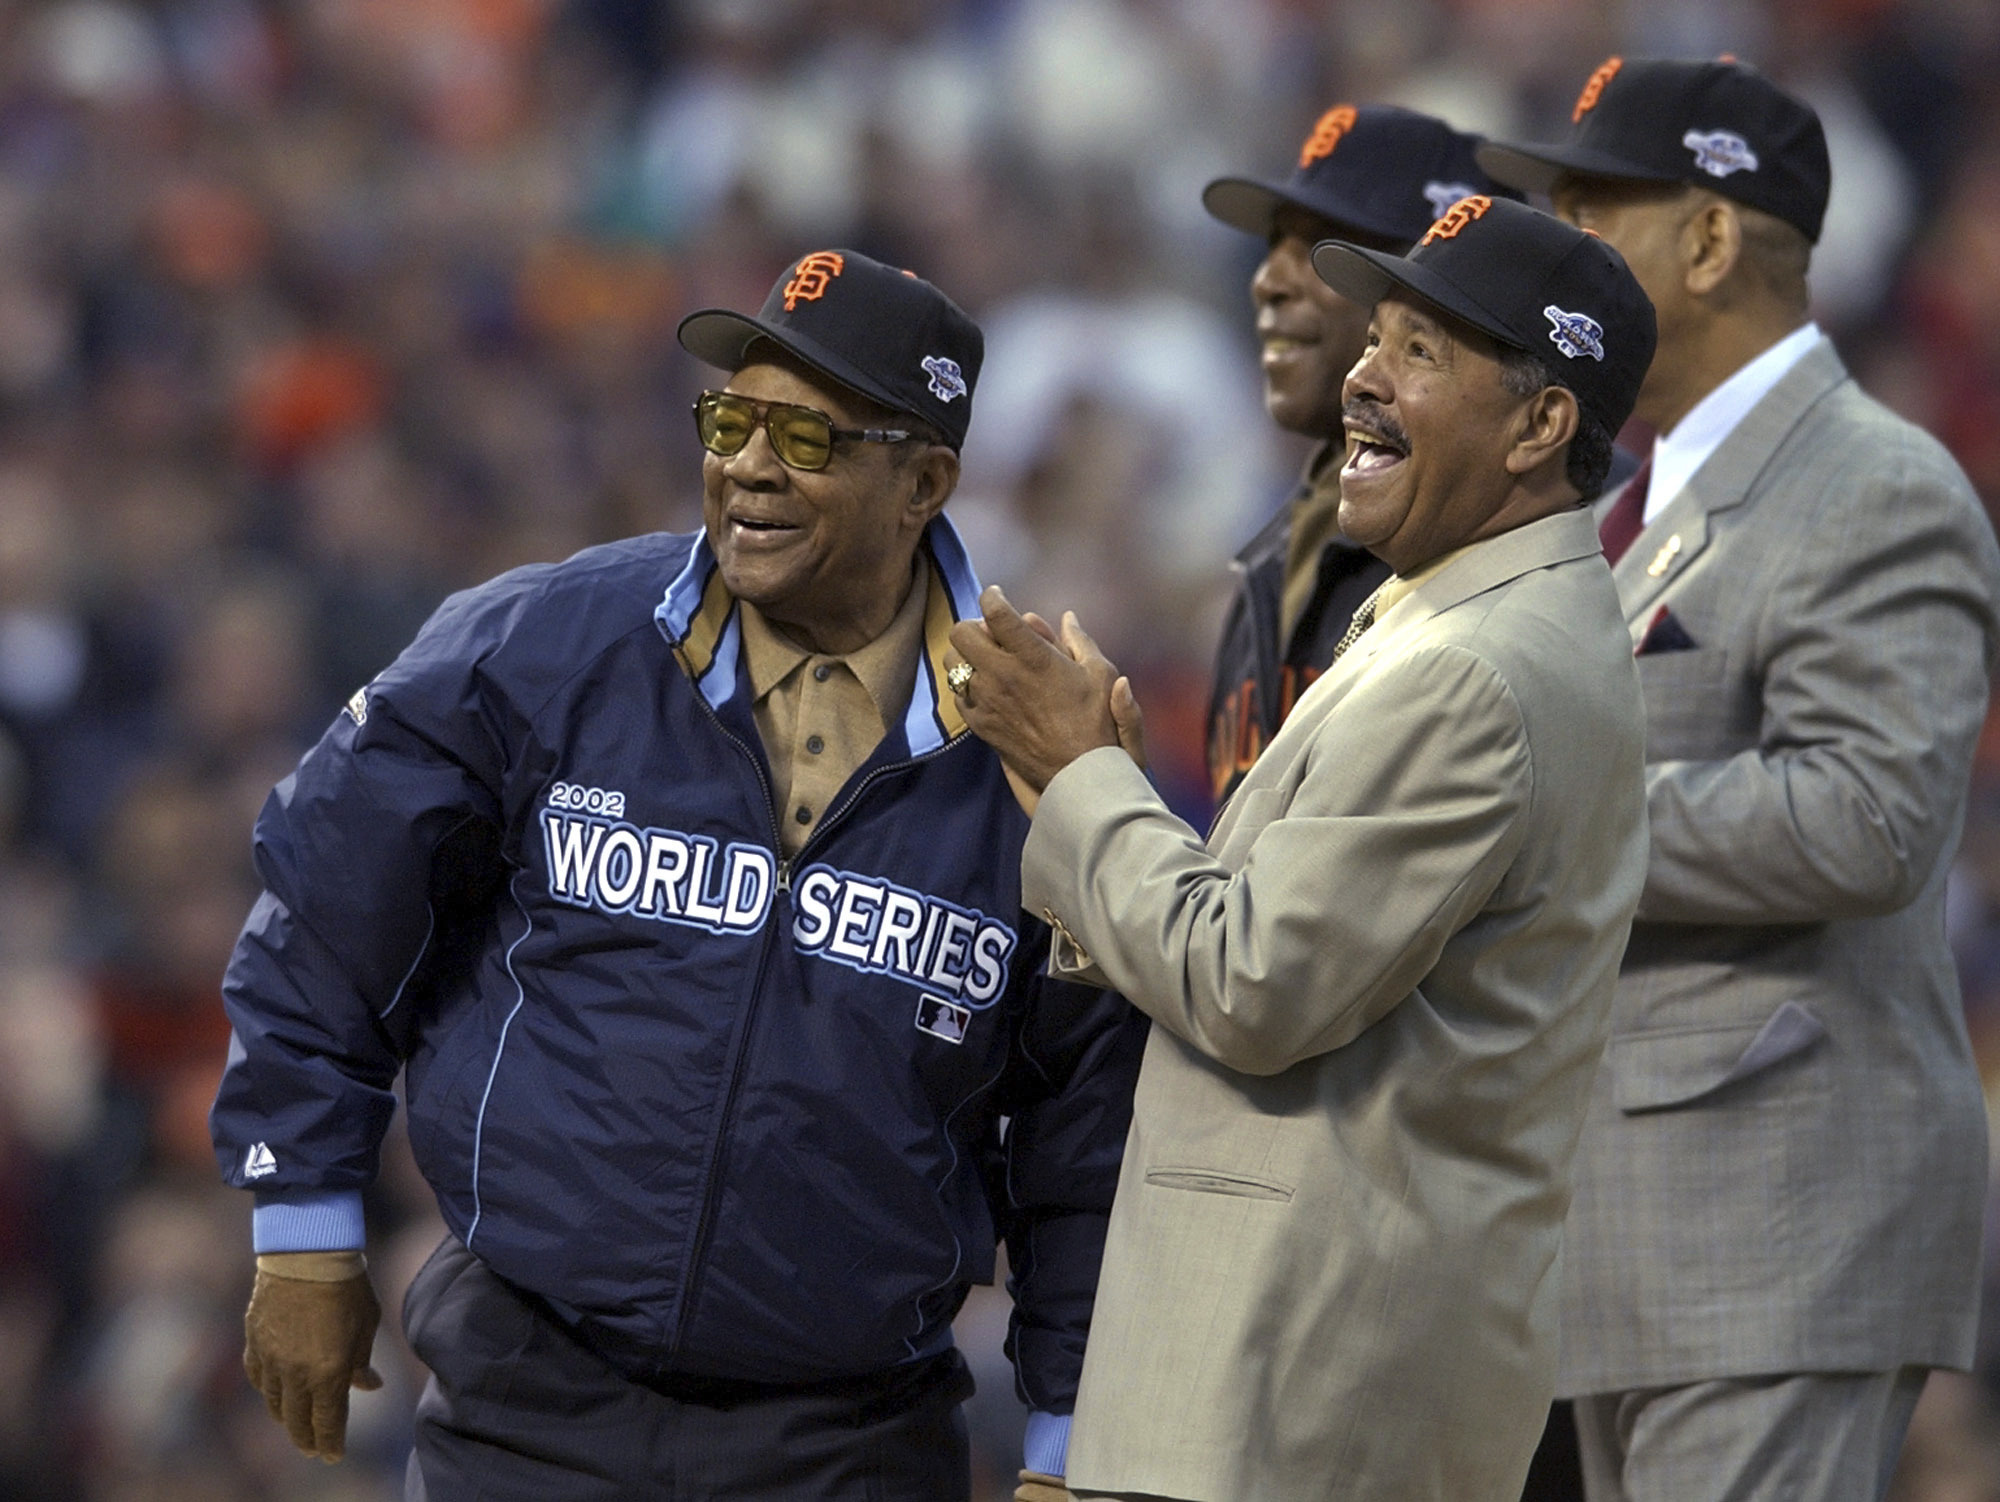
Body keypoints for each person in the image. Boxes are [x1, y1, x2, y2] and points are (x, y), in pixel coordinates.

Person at [209, 248, 1147, 1501]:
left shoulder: (1038, 741)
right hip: (523, 1392)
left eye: (805, 437)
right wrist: (303, 1226)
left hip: (846, 1440)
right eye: (729, 419)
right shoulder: (548, 640)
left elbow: (1086, 1137)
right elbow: (328, 910)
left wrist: (1066, 1439)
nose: (747, 463)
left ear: (923, 478)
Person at [944, 196, 1658, 1500]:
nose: (1366, 377)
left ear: (1543, 424)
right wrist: (1117, 797)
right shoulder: (1471, 619)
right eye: (1375, 337)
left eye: (1424, 353)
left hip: (1297, 1387)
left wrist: (1079, 775)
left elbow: (1254, 980)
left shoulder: (1478, 671)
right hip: (1300, 1373)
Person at [1477, 57, 2000, 1500]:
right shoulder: (1631, 496)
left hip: (1775, 1206)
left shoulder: (1872, 482)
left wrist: (1543, 828)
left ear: (1707, 242)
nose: (1556, 252)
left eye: (1591, 212)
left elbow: (1870, 815)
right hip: (1637, 1224)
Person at [1200, 102, 1520, 806]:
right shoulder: (1274, 553)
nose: (1269, 280)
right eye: (1274, 243)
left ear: (1438, 284)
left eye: (1322, 246)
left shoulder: (1535, 532)